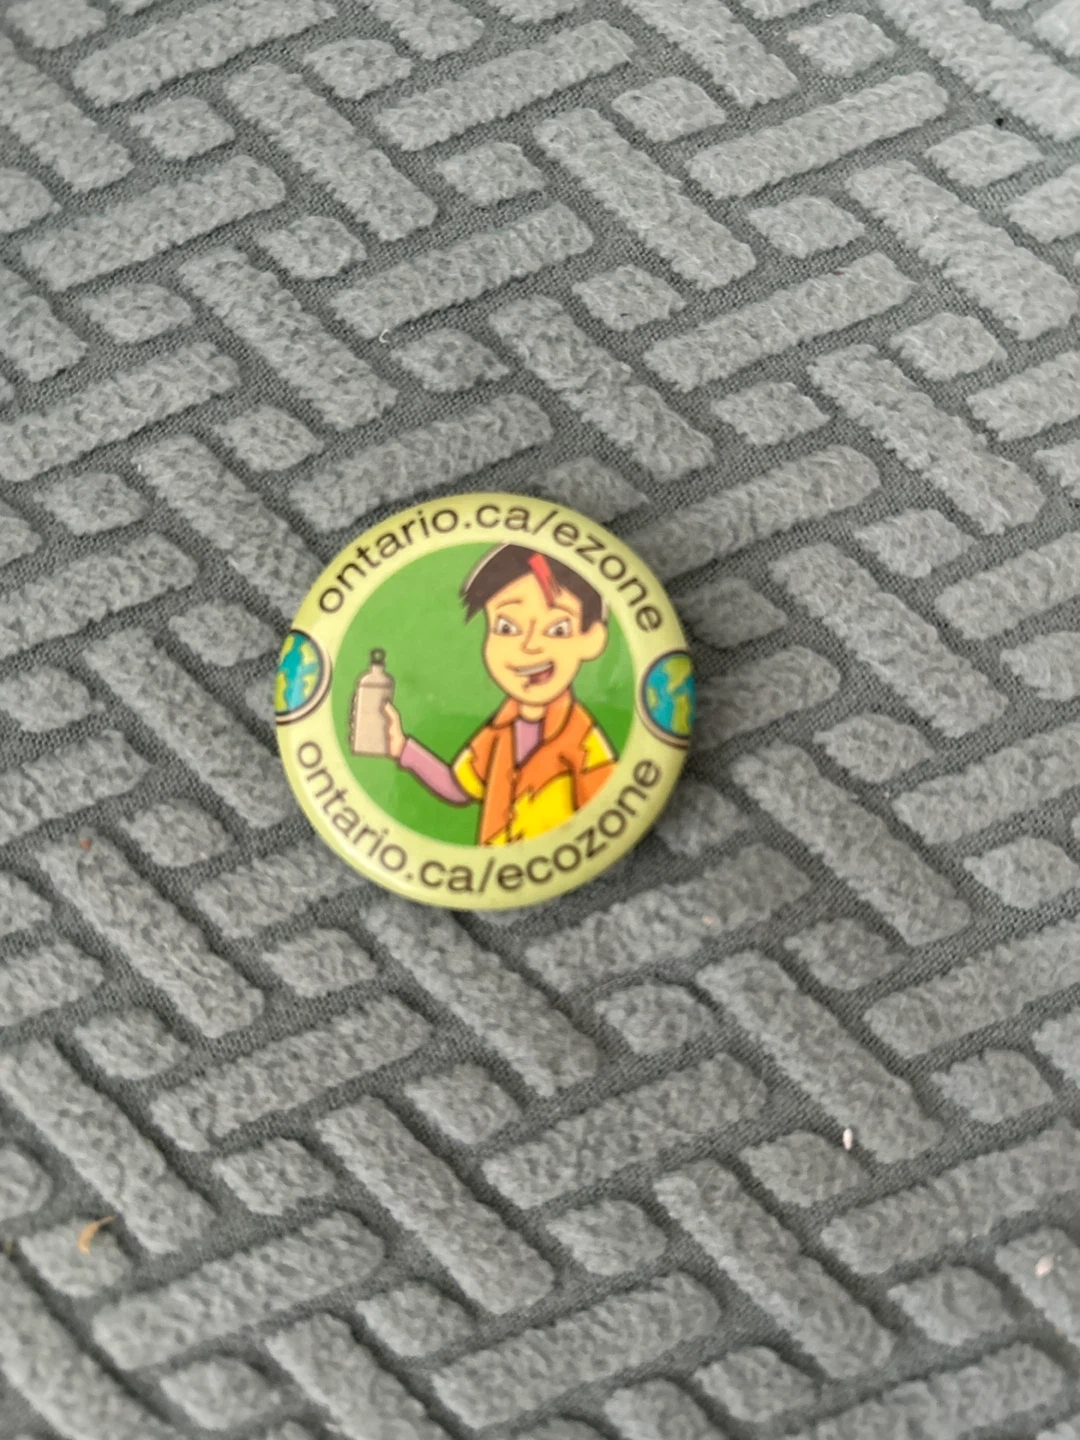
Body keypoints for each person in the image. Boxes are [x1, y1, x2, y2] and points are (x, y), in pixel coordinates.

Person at [382, 544, 617, 845]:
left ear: (591, 639)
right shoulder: (497, 730)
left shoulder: (582, 737)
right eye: (507, 627)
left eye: (557, 629)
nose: (529, 646)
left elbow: (611, 813)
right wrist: (402, 748)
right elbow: (459, 787)